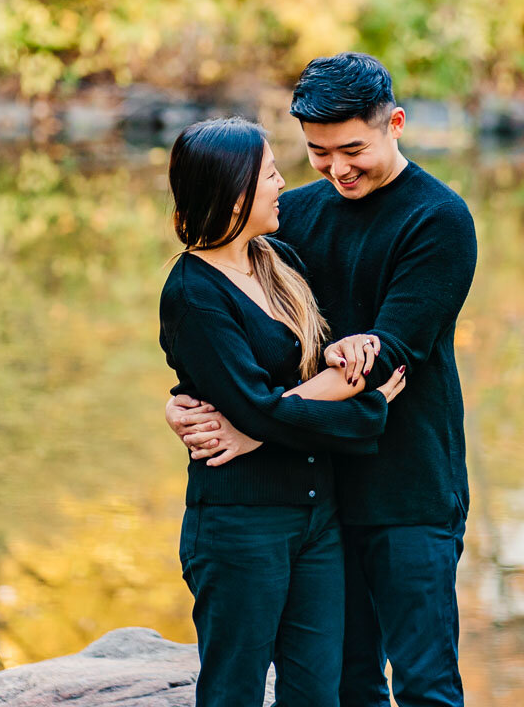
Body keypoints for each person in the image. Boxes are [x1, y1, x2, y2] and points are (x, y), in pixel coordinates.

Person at [168, 54, 478, 707]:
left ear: (395, 124)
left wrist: (253, 428)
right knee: (345, 686)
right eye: (317, 152)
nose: (337, 169)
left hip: (408, 494)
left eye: (353, 150)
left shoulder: (438, 220)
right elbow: (234, 334)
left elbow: (387, 360)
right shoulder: (289, 221)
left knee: (426, 687)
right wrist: (188, 402)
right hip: (320, 497)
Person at [160, 116, 409, 707]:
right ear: (237, 192)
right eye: (271, 174)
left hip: (316, 521)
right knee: (234, 693)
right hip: (241, 525)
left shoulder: (277, 260)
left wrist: (334, 359)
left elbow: (284, 390)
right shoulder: (193, 293)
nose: (282, 185)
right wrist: (367, 409)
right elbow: (257, 409)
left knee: (317, 694)